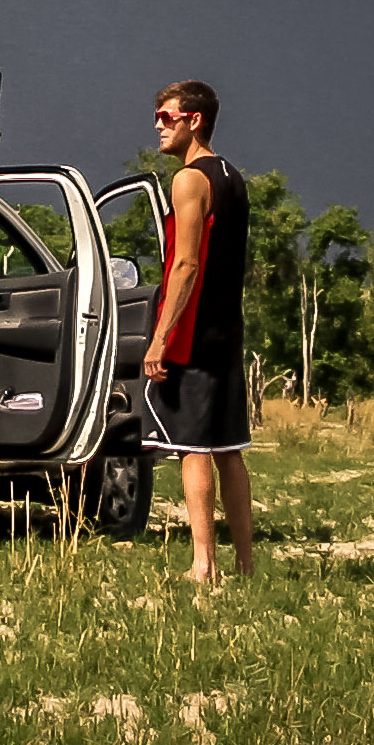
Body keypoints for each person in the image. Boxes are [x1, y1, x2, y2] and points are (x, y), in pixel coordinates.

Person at [143, 79, 255, 582]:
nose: (158, 125)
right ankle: (246, 566)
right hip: (228, 329)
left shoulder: (190, 180)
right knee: (229, 448)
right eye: (158, 116)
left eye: (168, 117)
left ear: (195, 121)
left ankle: (203, 563)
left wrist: (161, 337)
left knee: (194, 447)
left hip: (196, 333)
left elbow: (186, 264)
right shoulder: (233, 175)